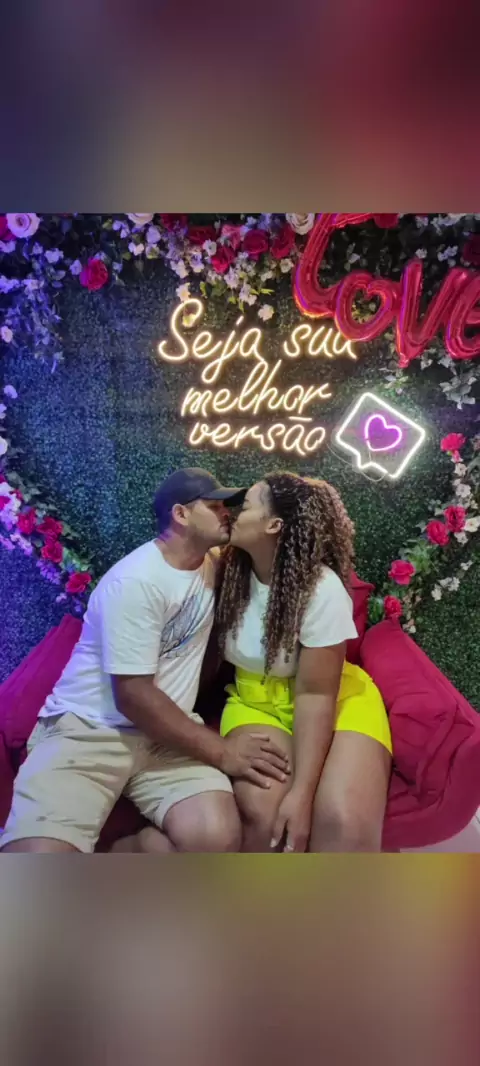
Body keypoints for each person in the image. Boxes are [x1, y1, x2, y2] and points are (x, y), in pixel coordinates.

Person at [1, 468, 290, 854]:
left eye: (227, 506)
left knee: (216, 838)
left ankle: (129, 852)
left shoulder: (213, 564)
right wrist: (224, 752)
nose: (227, 513)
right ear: (180, 514)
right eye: (214, 506)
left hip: (166, 737)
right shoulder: (136, 581)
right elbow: (133, 695)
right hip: (91, 729)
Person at [214, 471, 392, 852]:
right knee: (266, 813)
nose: (231, 513)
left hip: (333, 698)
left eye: (245, 506)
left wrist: (303, 793)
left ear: (274, 525)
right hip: (254, 702)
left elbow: (316, 695)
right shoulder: (223, 571)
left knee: (341, 819)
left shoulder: (320, 589)